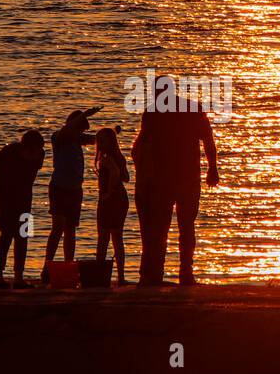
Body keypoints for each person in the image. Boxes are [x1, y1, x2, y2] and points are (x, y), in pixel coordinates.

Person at [131, 75, 219, 286]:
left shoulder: (153, 113)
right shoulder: (190, 110)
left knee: (163, 227)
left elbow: (143, 145)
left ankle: (160, 274)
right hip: (184, 177)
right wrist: (212, 168)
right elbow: (208, 139)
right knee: (183, 226)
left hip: (166, 179)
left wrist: (144, 175)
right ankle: (182, 272)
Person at [40, 106, 102, 281]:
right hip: (60, 188)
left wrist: (113, 132)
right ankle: (47, 266)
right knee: (57, 227)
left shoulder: (77, 139)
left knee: (71, 229)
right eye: (81, 127)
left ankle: (68, 266)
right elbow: (67, 130)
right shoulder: (59, 137)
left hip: (75, 189)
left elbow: (96, 139)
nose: (82, 132)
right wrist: (85, 114)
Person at [0, 129, 46, 289]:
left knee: (23, 236)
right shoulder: (8, 152)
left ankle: (18, 277)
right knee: (6, 236)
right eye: (35, 151)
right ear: (26, 148)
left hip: (25, 201)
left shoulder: (40, 155)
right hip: (4, 200)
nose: (38, 154)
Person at [93, 126, 130, 287]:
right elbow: (126, 178)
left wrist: (108, 191)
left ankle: (99, 277)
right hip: (120, 199)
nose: (100, 144)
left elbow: (115, 173)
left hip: (112, 200)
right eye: (98, 141)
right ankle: (120, 277)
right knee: (117, 238)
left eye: (103, 141)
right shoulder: (119, 157)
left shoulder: (108, 159)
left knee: (103, 238)